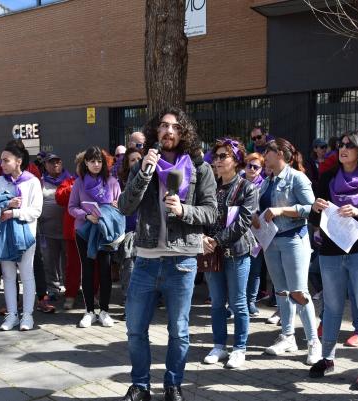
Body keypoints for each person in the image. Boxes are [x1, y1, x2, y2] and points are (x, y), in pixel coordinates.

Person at [118, 107, 217, 401]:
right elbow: (125, 206)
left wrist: (185, 210)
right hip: (146, 260)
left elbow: (212, 212)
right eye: (163, 126)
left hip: (182, 261)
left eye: (175, 127)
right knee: (135, 329)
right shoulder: (143, 166)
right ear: (155, 132)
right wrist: (146, 171)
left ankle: (173, 385)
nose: (168, 131)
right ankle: (140, 386)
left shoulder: (199, 169)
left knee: (179, 331)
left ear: (183, 133)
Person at [307, 132, 358, 389]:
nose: (343, 149)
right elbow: (315, 219)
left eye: (350, 145)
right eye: (341, 145)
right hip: (330, 252)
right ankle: (327, 358)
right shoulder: (328, 177)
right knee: (331, 307)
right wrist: (315, 209)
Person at [254, 139, 321, 365]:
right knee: (281, 291)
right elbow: (262, 208)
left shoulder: (297, 178)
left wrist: (281, 209)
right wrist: (256, 216)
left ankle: (313, 342)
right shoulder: (267, 181)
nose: (265, 156)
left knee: (299, 292)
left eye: (268, 152)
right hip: (271, 241)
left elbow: (311, 208)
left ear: (281, 153)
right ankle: (288, 336)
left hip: (294, 239)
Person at [202, 138, 258, 369]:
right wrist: (203, 238)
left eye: (223, 156)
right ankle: (219, 345)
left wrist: (216, 240)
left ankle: (240, 348)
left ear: (236, 160)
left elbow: (243, 222)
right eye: (215, 156)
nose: (217, 160)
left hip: (236, 252)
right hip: (212, 253)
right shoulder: (210, 186)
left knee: (238, 303)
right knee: (216, 303)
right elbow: (201, 215)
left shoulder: (248, 187)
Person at [0, 141, 43, 331]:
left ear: (18, 161)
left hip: (26, 235)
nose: (1, 164)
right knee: (8, 276)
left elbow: (36, 211)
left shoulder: (32, 181)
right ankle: (12, 315)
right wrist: (6, 206)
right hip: (3, 235)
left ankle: (27, 315)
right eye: (1, 160)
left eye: (5, 160)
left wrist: (15, 213)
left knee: (27, 274)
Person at [68, 146, 122, 329]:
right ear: (86, 163)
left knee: (105, 270)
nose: (96, 164)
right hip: (84, 231)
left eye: (99, 161)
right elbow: (71, 207)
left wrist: (114, 207)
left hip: (105, 232)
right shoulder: (79, 183)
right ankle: (89, 311)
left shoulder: (112, 181)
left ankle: (104, 311)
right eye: (92, 161)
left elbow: (120, 206)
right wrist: (86, 216)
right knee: (88, 269)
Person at [39, 153, 71, 299]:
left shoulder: (71, 180)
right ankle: (52, 288)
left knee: (68, 261)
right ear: (45, 165)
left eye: (58, 161)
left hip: (67, 230)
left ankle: (70, 287)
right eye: (51, 162)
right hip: (48, 230)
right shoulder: (40, 182)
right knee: (49, 262)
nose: (55, 164)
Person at [55, 153, 83, 310]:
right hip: (72, 233)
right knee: (72, 265)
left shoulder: (97, 182)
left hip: (92, 231)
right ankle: (71, 295)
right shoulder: (70, 182)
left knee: (94, 266)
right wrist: (74, 187)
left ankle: (93, 295)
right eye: (80, 165)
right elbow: (59, 198)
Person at [117, 148, 143, 310]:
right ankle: (129, 304)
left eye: (139, 159)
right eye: (132, 160)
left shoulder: (151, 178)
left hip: (148, 232)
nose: (136, 162)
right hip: (128, 232)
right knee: (130, 269)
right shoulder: (121, 182)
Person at [242, 152, 265, 317]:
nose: (251, 169)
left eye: (255, 166)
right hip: (239, 233)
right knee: (239, 268)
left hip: (258, 233)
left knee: (255, 270)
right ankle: (237, 301)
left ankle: (250, 301)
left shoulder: (264, 185)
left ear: (261, 169)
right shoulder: (237, 182)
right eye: (249, 165)